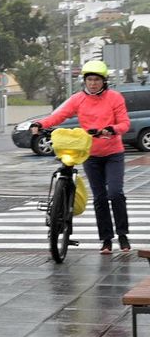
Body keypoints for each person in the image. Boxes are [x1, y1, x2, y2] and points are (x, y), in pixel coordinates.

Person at [30, 59, 131, 253]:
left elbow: (125, 123)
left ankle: (123, 235)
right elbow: (59, 115)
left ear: (104, 81)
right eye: (89, 80)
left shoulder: (115, 98)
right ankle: (106, 240)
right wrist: (40, 123)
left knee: (115, 193)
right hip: (90, 155)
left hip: (113, 153)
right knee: (100, 197)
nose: (93, 83)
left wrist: (111, 129)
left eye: (97, 80)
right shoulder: (78, 99)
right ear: (84, 81)